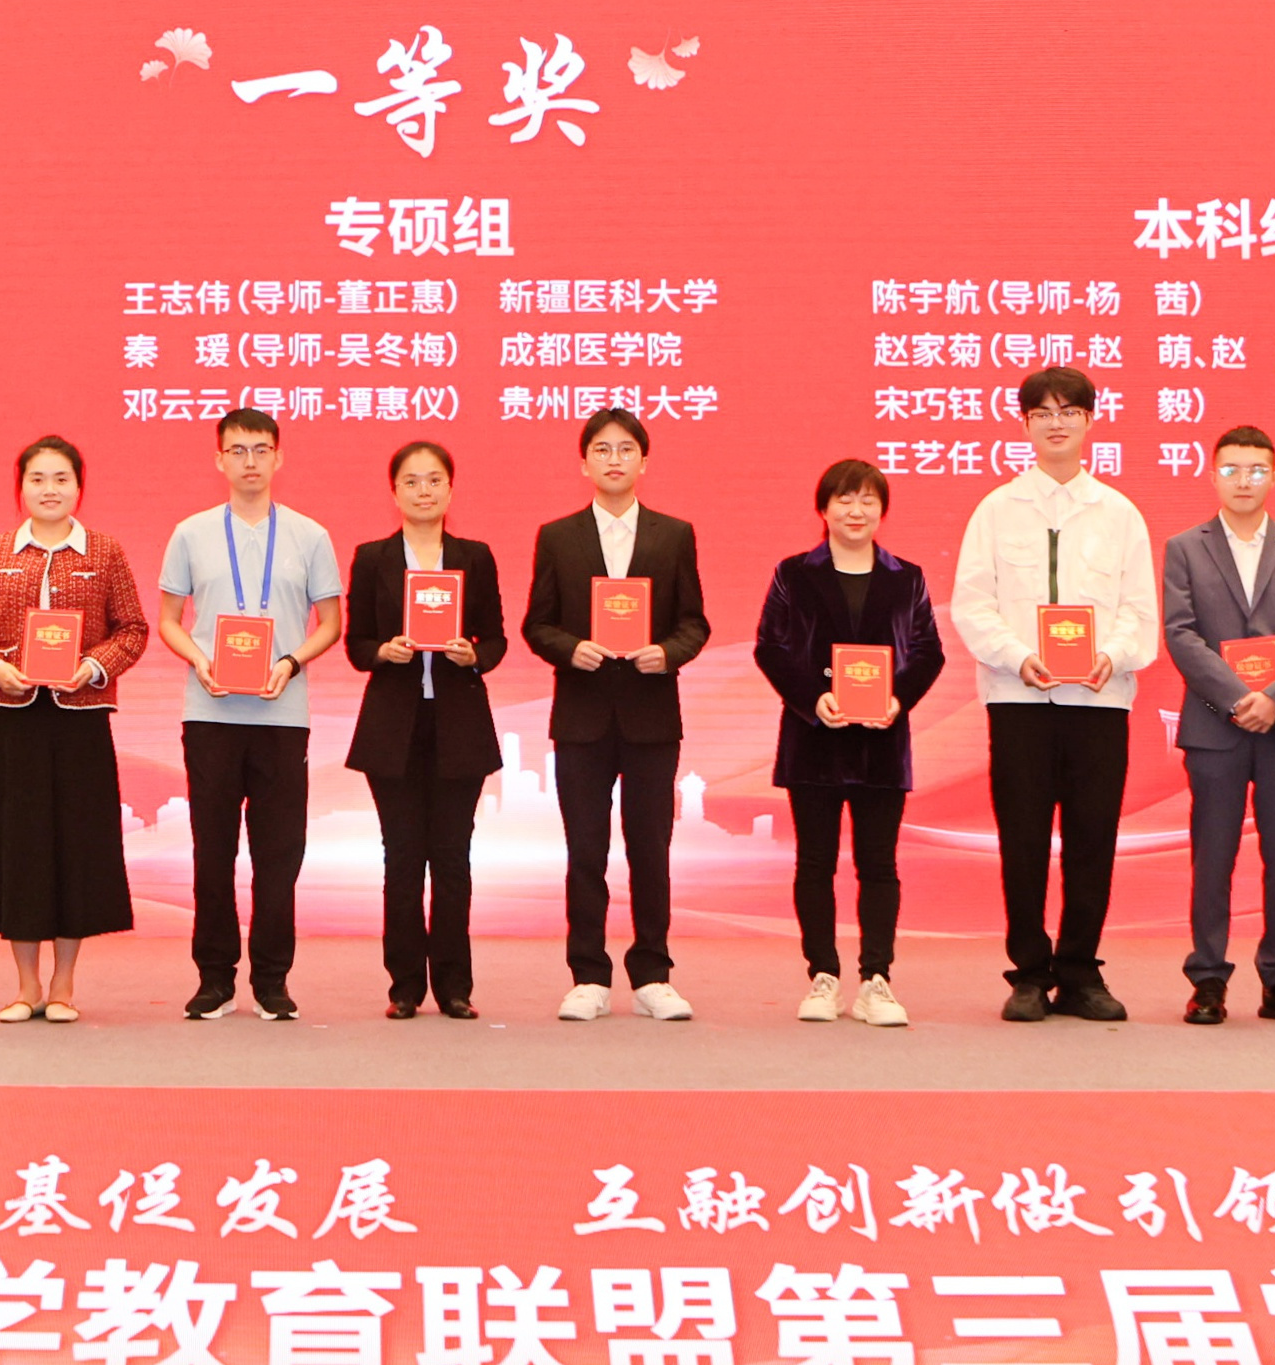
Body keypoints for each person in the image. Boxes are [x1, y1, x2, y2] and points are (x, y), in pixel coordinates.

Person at [946, 368, 1157, 1023]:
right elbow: (972, 603)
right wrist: (1018, 655)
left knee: (1093, 838)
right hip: (1019, 699)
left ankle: (1081, 971)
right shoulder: (996, 509)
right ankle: (1030, 973)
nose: (1056, 423)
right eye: (1043, 413)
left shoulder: (1119, 513)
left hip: (1100, 701)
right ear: (1025, 424)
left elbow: (1139, 609)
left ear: (1091, 420)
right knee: (1024, 839)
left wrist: (1111, 654)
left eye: (1069, 411)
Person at [154, 410, 346, 1021]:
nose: (250, 461)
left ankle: (272, 980)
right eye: (237, 450)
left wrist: (290, 662)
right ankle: (214, 979)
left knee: (279, 855)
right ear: (219, 460)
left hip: (282, 715)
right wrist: (200, 660)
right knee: (212, 852)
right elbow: (168, 620)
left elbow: (332, 624)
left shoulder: (310, 536)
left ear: (279, 457)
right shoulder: (190, 533)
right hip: (210, 712)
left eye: (261, 449)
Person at [523, 407, 710, 1022]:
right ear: (584, 463)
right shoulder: (557, 536)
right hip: (582, 717)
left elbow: (694, 623)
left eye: (626, 449)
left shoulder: (673, 534)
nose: (614, 459)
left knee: (651, 850)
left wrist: (669, 653)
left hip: (652, 717)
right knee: (585, 851)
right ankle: (588, 976)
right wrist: (570, 648)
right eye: (602, 449)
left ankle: (653, 974)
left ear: (643, 461)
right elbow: (537, 624)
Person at [0, 436, 148, 1021]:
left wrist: (93, 666)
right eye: (37, 479)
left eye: (61, 478)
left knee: (76, 847)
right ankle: (25, 986)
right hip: (11, 720)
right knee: (18, 847)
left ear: (79, 486)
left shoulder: (105, 551)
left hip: (79, 722)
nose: (49, 490)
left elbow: (132, 629)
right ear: (20, 487)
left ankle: (63, 985)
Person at [750, 458, 945, 1028]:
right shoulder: (794, 573)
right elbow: (770, 647)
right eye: (844, 499)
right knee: (814, 863)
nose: (856, 511)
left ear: (882, 511)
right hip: (814, 739)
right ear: (823, 508)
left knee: (879, 864)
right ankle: (823, 977)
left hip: (882, 742)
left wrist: (898, 699)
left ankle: (876, 979)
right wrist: (813, 700)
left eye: (867, 500)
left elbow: (929, 651)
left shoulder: (906, 577)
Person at [1159, 426, 1275, 1027]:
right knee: (1213, 856)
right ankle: (1207, 977)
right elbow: (1181, 633)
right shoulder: (1185, 547)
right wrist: (1239, 699)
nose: (1244, 480)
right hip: (1216, 726)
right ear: (1212, 476)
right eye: (1232, 469)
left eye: (1257, 470)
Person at [340, 440, 508, 1020]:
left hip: (459, 724)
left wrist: (473, 655)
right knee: (403, 858)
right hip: (394, 728)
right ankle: (405, 986)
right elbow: (356, 643)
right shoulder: (372, 558)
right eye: (411, 482)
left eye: (434, 480)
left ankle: (455, 986)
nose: (423, 491)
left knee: (453, 858)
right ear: (394, 492)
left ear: (450, 488)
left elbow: (496, 637)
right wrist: (382, 651)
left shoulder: (474, 556)